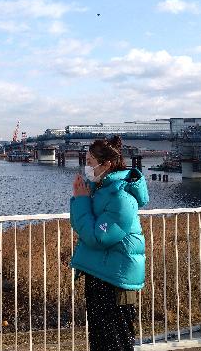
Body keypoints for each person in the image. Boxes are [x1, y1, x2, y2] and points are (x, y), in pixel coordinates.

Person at [70, 136, 149, 351]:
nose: (86, 167)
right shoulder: (100, 190)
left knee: (116, 342)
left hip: (115, 280)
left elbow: (98, 237)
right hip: (99, 273)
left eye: (89, 161)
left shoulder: (122, 198)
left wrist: (82, 201)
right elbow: (80, 226)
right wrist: (81, 199)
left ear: (106, 164)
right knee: (100, 340)